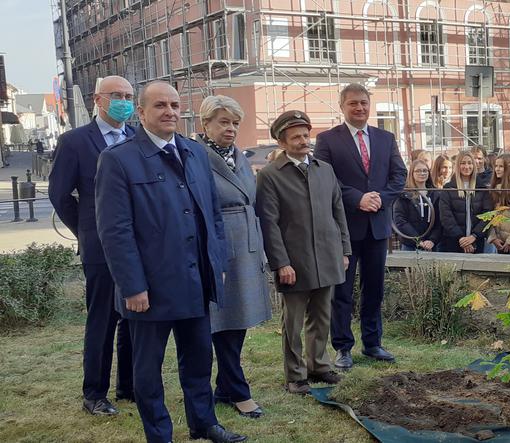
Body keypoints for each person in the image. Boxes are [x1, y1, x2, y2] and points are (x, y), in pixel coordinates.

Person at [95, 81, 245, 443]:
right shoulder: (118, 159)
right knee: (148, 370)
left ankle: (203, 423)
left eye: (175, 105)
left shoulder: (193, 152)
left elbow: (212, 213)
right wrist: (132, 285)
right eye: (160, 105)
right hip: (149, 287)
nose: (170, 112)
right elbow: (115, 231)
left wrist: (217, 262)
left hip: (195, 280)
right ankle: (159, 434)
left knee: (198, 359)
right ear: (141, 113)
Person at [49, 75, 135, 416]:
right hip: (100, 248)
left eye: (129, 95)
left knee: (134, 317)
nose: (124, 101)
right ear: (98, 100)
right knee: (103, 318)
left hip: (136, 245)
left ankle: (129, 386)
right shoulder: (75, 141)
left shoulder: (136, 137)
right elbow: (59, 195)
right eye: (117, 95)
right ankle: (95, 394)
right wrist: (88, 231)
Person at [257, 110, 349, 395]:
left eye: (305, 135)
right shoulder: (271, 175)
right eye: (295, 137)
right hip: (294, 261)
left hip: (327, 256)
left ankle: (319, 366)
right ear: (282, 143)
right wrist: (281, 262)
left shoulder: (325, 169)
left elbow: (338, 211)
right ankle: (295, 375)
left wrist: (344, 249)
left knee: (322, 316)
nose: (303, 141)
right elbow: (268, 223)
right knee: (292, 322)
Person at [315, 83, 407, 368]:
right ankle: (342, 347)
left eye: (364, 103)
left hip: (377, 226)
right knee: (341, 290)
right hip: (344, 227)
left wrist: (380, 199)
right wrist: (357, 198)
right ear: (342, 106)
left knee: (375, 288)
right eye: (353, 103)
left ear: (370, 105)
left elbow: (399, 173)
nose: (359, 108)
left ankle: (372, 343)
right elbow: (324, 178)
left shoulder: (385, 137)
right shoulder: (328, 139)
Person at [195, 96, 272, 418]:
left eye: (235, 123)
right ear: (206, 124)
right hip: (220, 244)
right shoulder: (197, 156)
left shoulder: (239, 156)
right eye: (223, 122)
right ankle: (239, 391)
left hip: (246, 244)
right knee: (223, 322)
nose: (231, 129)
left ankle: (225, 388)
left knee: (238, 320)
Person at [439, 151, 490, 253]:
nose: (467, 166)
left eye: (470, 163)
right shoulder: (449, 188)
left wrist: (474, 236)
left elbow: (487, 215)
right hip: (453, 241)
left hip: (476, 241)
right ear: (458, 165)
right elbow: (446, 216)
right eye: (463, 163)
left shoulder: (482, 188)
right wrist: (461, 238)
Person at [394, 159, 440, 251]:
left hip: (431, 245)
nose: (422, 173)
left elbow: (439, 221)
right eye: (418, 171)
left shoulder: (436, 194)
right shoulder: (404, 195)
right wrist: (418, 240)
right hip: (410, 245)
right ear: (412, 173)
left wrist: (432, 240)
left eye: (425, 170)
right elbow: (400, 220)